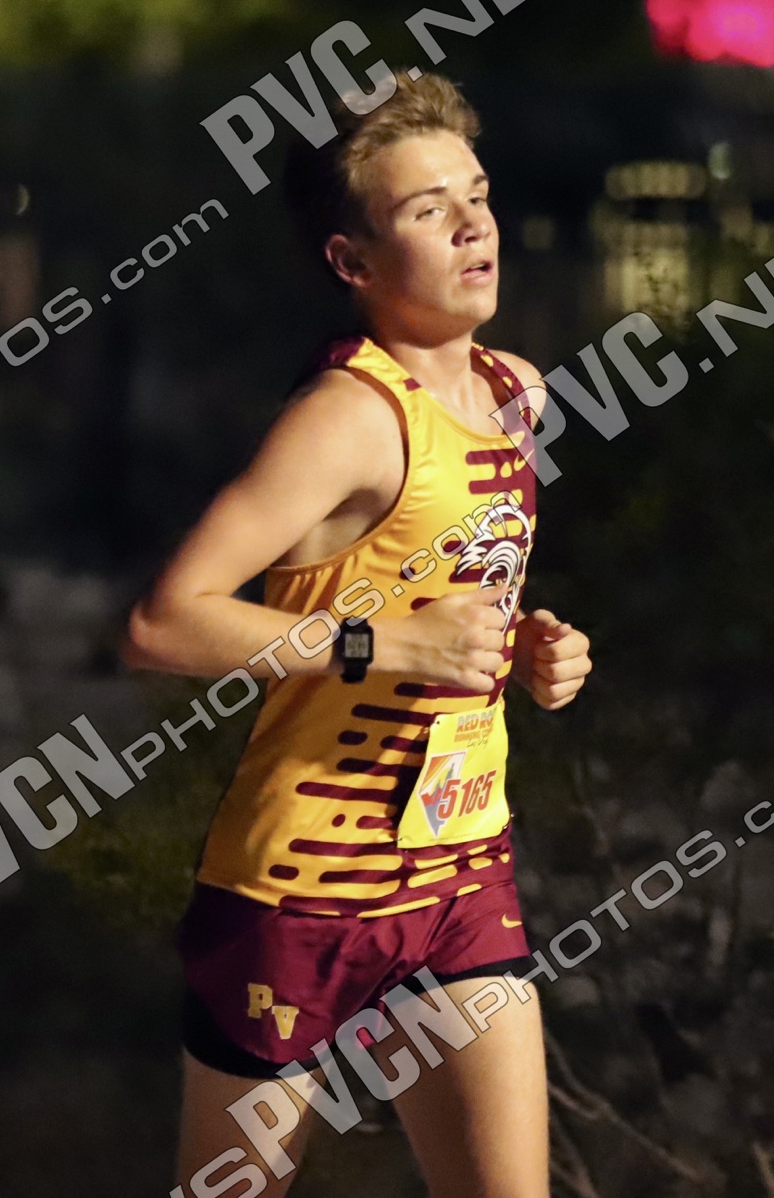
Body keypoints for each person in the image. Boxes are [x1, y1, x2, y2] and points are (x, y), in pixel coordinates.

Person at [122, 71, 593, 1198]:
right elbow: (163, 621)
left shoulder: (519, 395)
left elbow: (447, 592)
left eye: (476, 194)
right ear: (352, 261)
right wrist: (385, 646)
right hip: (299, 895)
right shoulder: (345, 420)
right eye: (428, 209)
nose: (473, 226)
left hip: (458, 871)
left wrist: (532, 652)